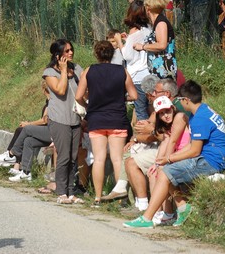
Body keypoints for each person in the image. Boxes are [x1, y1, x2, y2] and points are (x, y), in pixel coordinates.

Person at [123, 80, 225, 228]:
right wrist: (166, 160)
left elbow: (194, 150)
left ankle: (148, 218)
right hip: (210, 157)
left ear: (186, 100)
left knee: (164, 173)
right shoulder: (203, 111)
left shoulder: (199, 118)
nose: (179, 103)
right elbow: (191, 145)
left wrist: (169, 159)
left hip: (210, 161)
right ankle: (182, 208)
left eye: (179, 100)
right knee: (164, 170)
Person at [75, 40, 138, 206]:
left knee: (99, 158)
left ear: (96, 54)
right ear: (113, 54)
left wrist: (89, 106)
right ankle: (120, 197)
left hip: (96, 119)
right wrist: (121, 98)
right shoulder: (121, 71)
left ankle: (97, 196)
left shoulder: (89, 71)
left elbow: (78, 96)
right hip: (117, 118)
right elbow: (134, 95)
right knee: (117, 159)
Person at [100, 74, 160, 202]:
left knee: (131, 158)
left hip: (160, 147)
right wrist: (135, 138)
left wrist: (138, 137)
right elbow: (144, 128)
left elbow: (152, 134)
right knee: (129, 151)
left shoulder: (162, 108)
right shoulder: (154, 109)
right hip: (155, 143)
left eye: (148, 96)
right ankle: (130, 197)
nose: (148, 99)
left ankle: (132, 199)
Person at [124, 78, 178, 211]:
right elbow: (147, 131)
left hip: (173, 152)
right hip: (163, 149)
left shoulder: (176, 111)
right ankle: (143, 204)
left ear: (166, 94)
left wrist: (151, 132)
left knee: (134, 163)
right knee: (128, 154)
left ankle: (149, 208)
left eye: (156, 91)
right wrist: (136, 138)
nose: (153, 93)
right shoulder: (160, 109)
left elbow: (167, 138)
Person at [43, 38, 85, 204]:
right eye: (67, 51)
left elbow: (84, 89)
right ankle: (61, 192)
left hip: (75, 118)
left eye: (71, 49)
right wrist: (62, 70)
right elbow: (60, 90)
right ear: (57, 54)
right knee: (64, 156)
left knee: (74, 156)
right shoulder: (49, 73)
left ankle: (71, 191)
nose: (71, 53)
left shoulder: (77, 69)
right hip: (59, 118)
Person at [0, 81, 52, 181]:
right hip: (48, 131)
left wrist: (28, 124)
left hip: (53, 132)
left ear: (44, 90)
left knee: (25, 129)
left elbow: (45, 120)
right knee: (28, 141)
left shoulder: (53, 101)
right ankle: (26, 172)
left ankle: (12, 154)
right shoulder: (49, 101)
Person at [146, 96, 190, 226]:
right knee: (154, 172)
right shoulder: (167, 127)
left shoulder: (180, 117)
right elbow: (165, 144)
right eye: (161, 113)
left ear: (173, 108)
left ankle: (181, 207)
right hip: (177, 156)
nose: (165, 115)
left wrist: (165, 162)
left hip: (186, 155)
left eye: (167, 111)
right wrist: (156, 163)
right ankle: (164, 213)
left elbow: (173, 142)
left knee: (163, 171)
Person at [113, 0, 152, 122]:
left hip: (137, 76)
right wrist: (127, 40)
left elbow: (127, 55)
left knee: (141, 111)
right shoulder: (148, 28)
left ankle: (145, 139)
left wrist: (119, 41)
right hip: (149, 72)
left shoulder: (134, 31)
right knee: (150, 108)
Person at [133, 0, 177, 80]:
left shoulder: (161, 23)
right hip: (158, 70)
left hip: (164, 71)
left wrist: (142, 46)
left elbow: (162, 45)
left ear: (148, 8)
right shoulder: (157, 22)